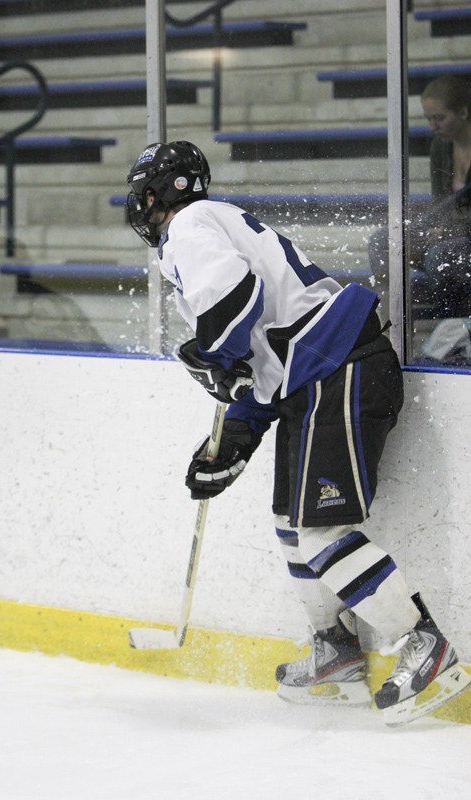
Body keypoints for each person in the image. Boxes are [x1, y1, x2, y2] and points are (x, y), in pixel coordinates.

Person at [126, 140, 470, 725]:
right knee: (293, 525)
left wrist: (213, 352)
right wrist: (233, 438)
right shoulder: (212, 224)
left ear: (156, 195)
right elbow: (265, 356)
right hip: (320, 378)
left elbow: (237, 301)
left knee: (319, 532)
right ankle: (336, 652)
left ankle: (424, 645)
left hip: (339, 372)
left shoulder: (190, 225)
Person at [369, 76, 471, 319]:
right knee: (383, 241)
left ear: (464, 112)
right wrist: (435, 226)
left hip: (464, 237)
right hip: (451, 232)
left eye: (439, 118)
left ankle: (452, 327)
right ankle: (397, 321)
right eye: (428, 119)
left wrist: (454, 230)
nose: (433, 125)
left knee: (442, 255)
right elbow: (441, 201)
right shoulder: (441, 147)